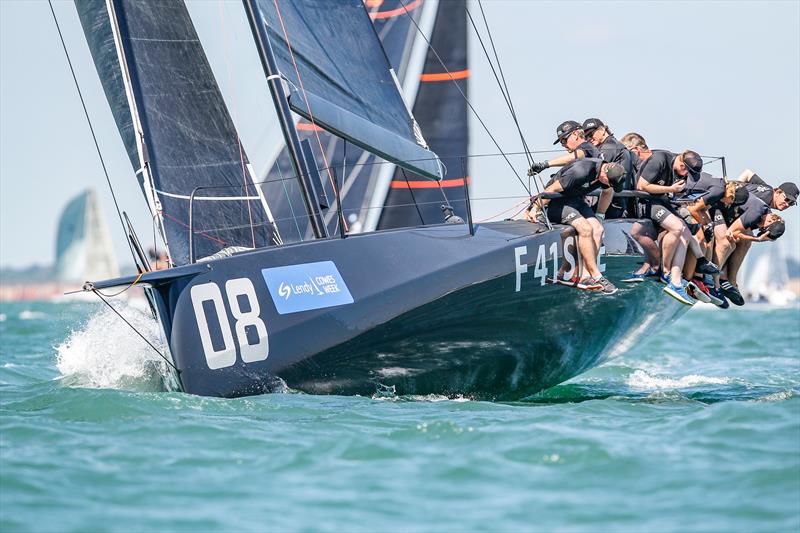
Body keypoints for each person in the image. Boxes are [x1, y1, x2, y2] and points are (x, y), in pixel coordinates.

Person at [525, 158, 625, 294]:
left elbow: (607, 192)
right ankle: (597, 276)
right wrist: (535, 209)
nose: (609, 185)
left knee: (598, 229)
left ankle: (585, 276)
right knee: (585, 228)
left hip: (576, 201)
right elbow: (552, 189)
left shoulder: (607, 174)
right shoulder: (580, 171)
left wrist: (600, 216)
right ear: (604, 173)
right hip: (557, 202)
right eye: (609, 182)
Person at [636, 149, 719, 305]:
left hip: (663, 203)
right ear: (680, 160)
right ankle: (665, 272)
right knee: (677, 228)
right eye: (685, 169)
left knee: (687, 234)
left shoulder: (681, 170)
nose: (685, 174)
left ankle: (676, 282)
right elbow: (642, 185)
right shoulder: (660, 159)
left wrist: (682, 195)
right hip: (645, 202)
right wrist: (671, 189)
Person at [711, 188, 787, 306]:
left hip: (726, 212)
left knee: (738, 244)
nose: (761, 230)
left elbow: (737, 233)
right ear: (771, 219)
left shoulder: (764, 217)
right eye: (763, 229)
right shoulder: (757, 212)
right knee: (726, 244)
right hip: (716, 204)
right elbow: (730, 233)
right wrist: (756, 239)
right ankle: (714, 285)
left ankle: (729, 281)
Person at [582, 118, 634, 218]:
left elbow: (593, 174)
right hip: (615, 203)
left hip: (613, 206)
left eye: (591, 134)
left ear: (602, 130)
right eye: (586, 137)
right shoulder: (611, 145)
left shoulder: (609, 147)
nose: (589, 139)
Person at [528, 121, 601, 175]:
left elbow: (576, 156)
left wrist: (545, 164)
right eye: (561, 142)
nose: (563, 145)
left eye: (564, 140)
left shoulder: (586, 146)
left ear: (575, 134)